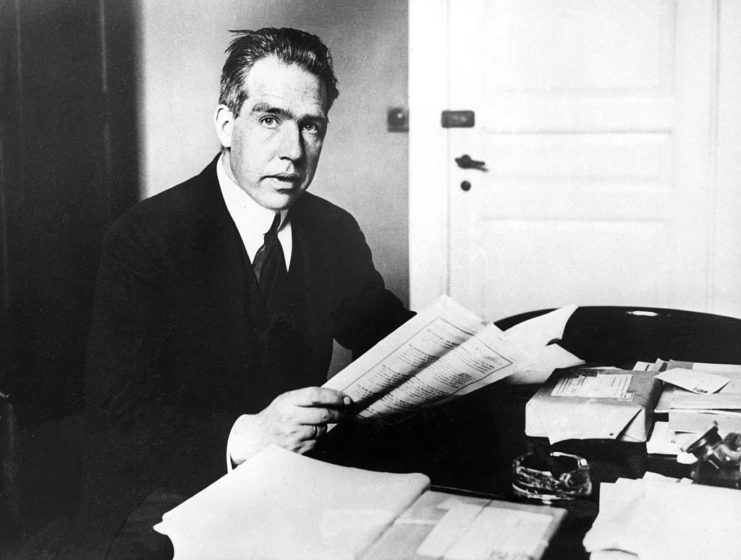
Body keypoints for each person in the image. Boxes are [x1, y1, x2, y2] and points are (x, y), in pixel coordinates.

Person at [61, 27, 412, 559]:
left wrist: (488, 349)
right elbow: (120, 417)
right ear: (227, 124)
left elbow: (386, 331)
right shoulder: (146, 238)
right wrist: (245, 435)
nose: (293, 151)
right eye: (269, 119)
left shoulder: (333, 229)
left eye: (311, 127)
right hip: (163, 492)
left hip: (292, 480)